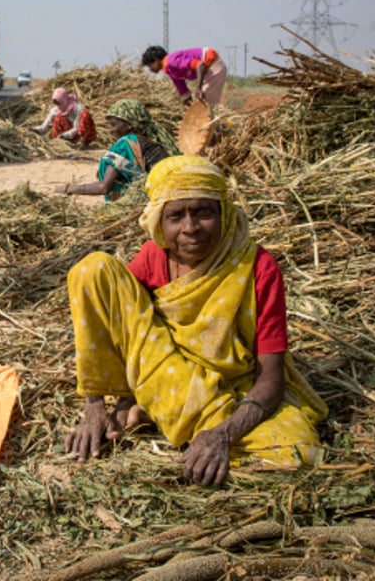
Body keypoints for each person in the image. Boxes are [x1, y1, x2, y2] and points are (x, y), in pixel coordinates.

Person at [63, 155, 327, 485]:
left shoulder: (257, 269)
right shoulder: (152, 258)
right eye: (176, 216)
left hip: (225, 392)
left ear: (224, 213)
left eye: (203, 212)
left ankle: (160, 412)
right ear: (159, 220)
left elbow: (271, 379)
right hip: (164, 371)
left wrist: (223, 434)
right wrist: (94, 407)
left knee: (297, 452)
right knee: (93, 269)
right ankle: (145, 403)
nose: (190, 228)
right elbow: (120, 324)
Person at [61, 99, 178, 201]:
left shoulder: (125, 144)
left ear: (129, 125)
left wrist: (68, 189)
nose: (111, 130)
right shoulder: (151, 141)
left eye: (113, 125)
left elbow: (104, 187)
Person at [142, 45, 228, 110]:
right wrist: (187, 111)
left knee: (206, 105)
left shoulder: (172, 61)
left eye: (149, 65)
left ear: (156, 60)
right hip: (208, 70)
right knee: (202, 106)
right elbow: (184, 94)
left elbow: (199, 65)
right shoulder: (170, 71)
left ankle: (218, 130)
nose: (150, 69)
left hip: (213, 65)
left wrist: (198, 88)